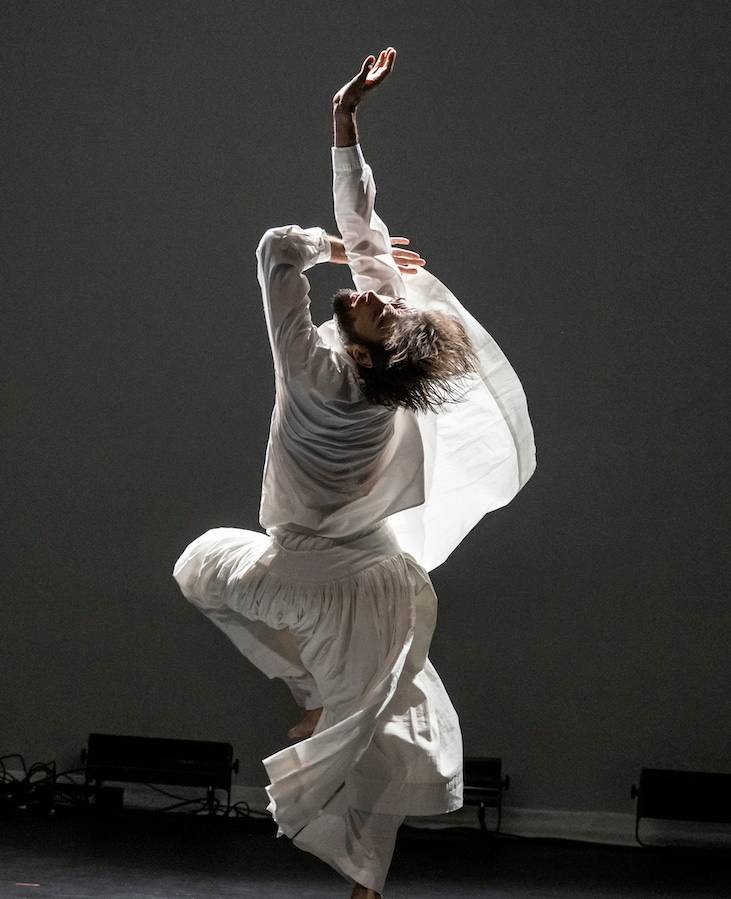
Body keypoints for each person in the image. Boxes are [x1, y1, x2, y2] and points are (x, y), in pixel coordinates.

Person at [172, 47, 536, 899]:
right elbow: (371, 232)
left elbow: (275, 252)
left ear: (370, 351)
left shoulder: (314, 371)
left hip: (308, 571)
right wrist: (346, 123)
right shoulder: (383, 375)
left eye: (374, 305)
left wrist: (327, 245)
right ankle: (364, 872)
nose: (370, 292)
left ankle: (310, 696)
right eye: (377, 297)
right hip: (379, 578)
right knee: (381, 721)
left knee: (199, 566)